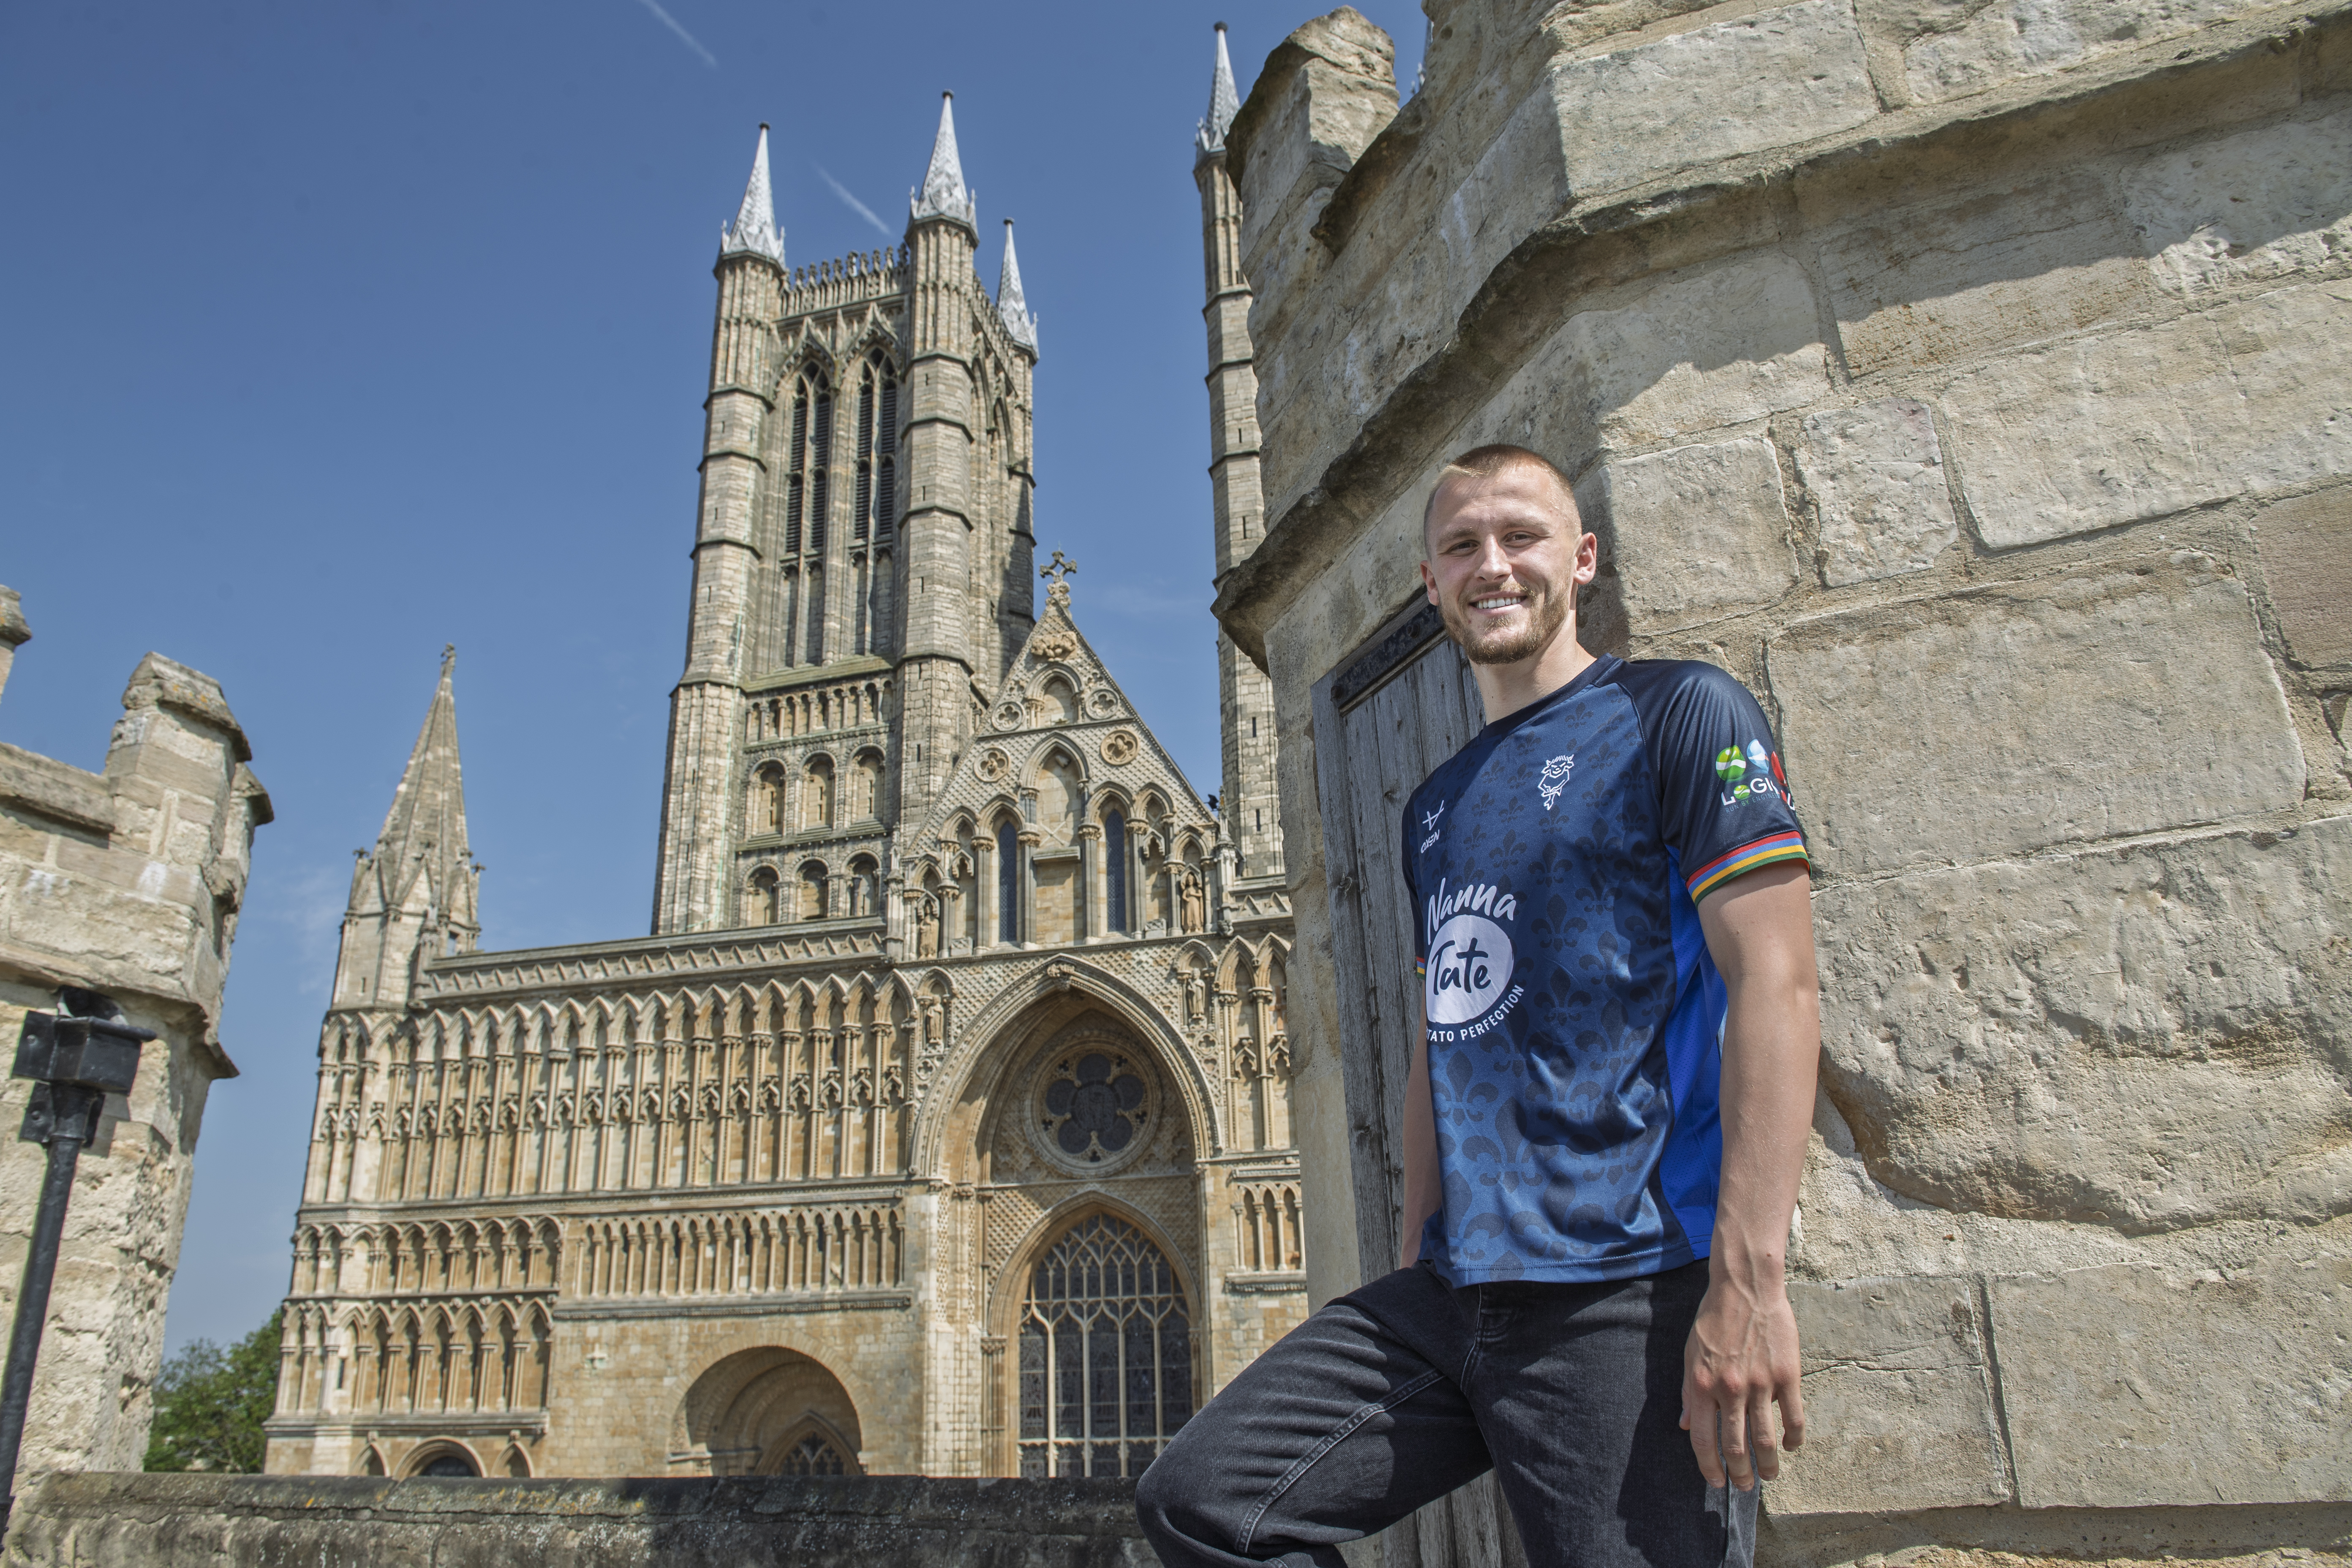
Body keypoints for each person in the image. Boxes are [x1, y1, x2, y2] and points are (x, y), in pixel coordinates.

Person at [1137, 445, 1821, 1567]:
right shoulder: (1437, 805)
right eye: (1462, 546)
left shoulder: (1682, 713)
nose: (1491, 564)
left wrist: (1749, 1285)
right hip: (1459, 1294)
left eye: (1520, 537)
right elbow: (1440, 1039)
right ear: (1429, 580)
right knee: (1204, 1501)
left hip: (1625, 1285)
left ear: (1582, 559)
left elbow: (1777, 986)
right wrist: (1417, 1258)